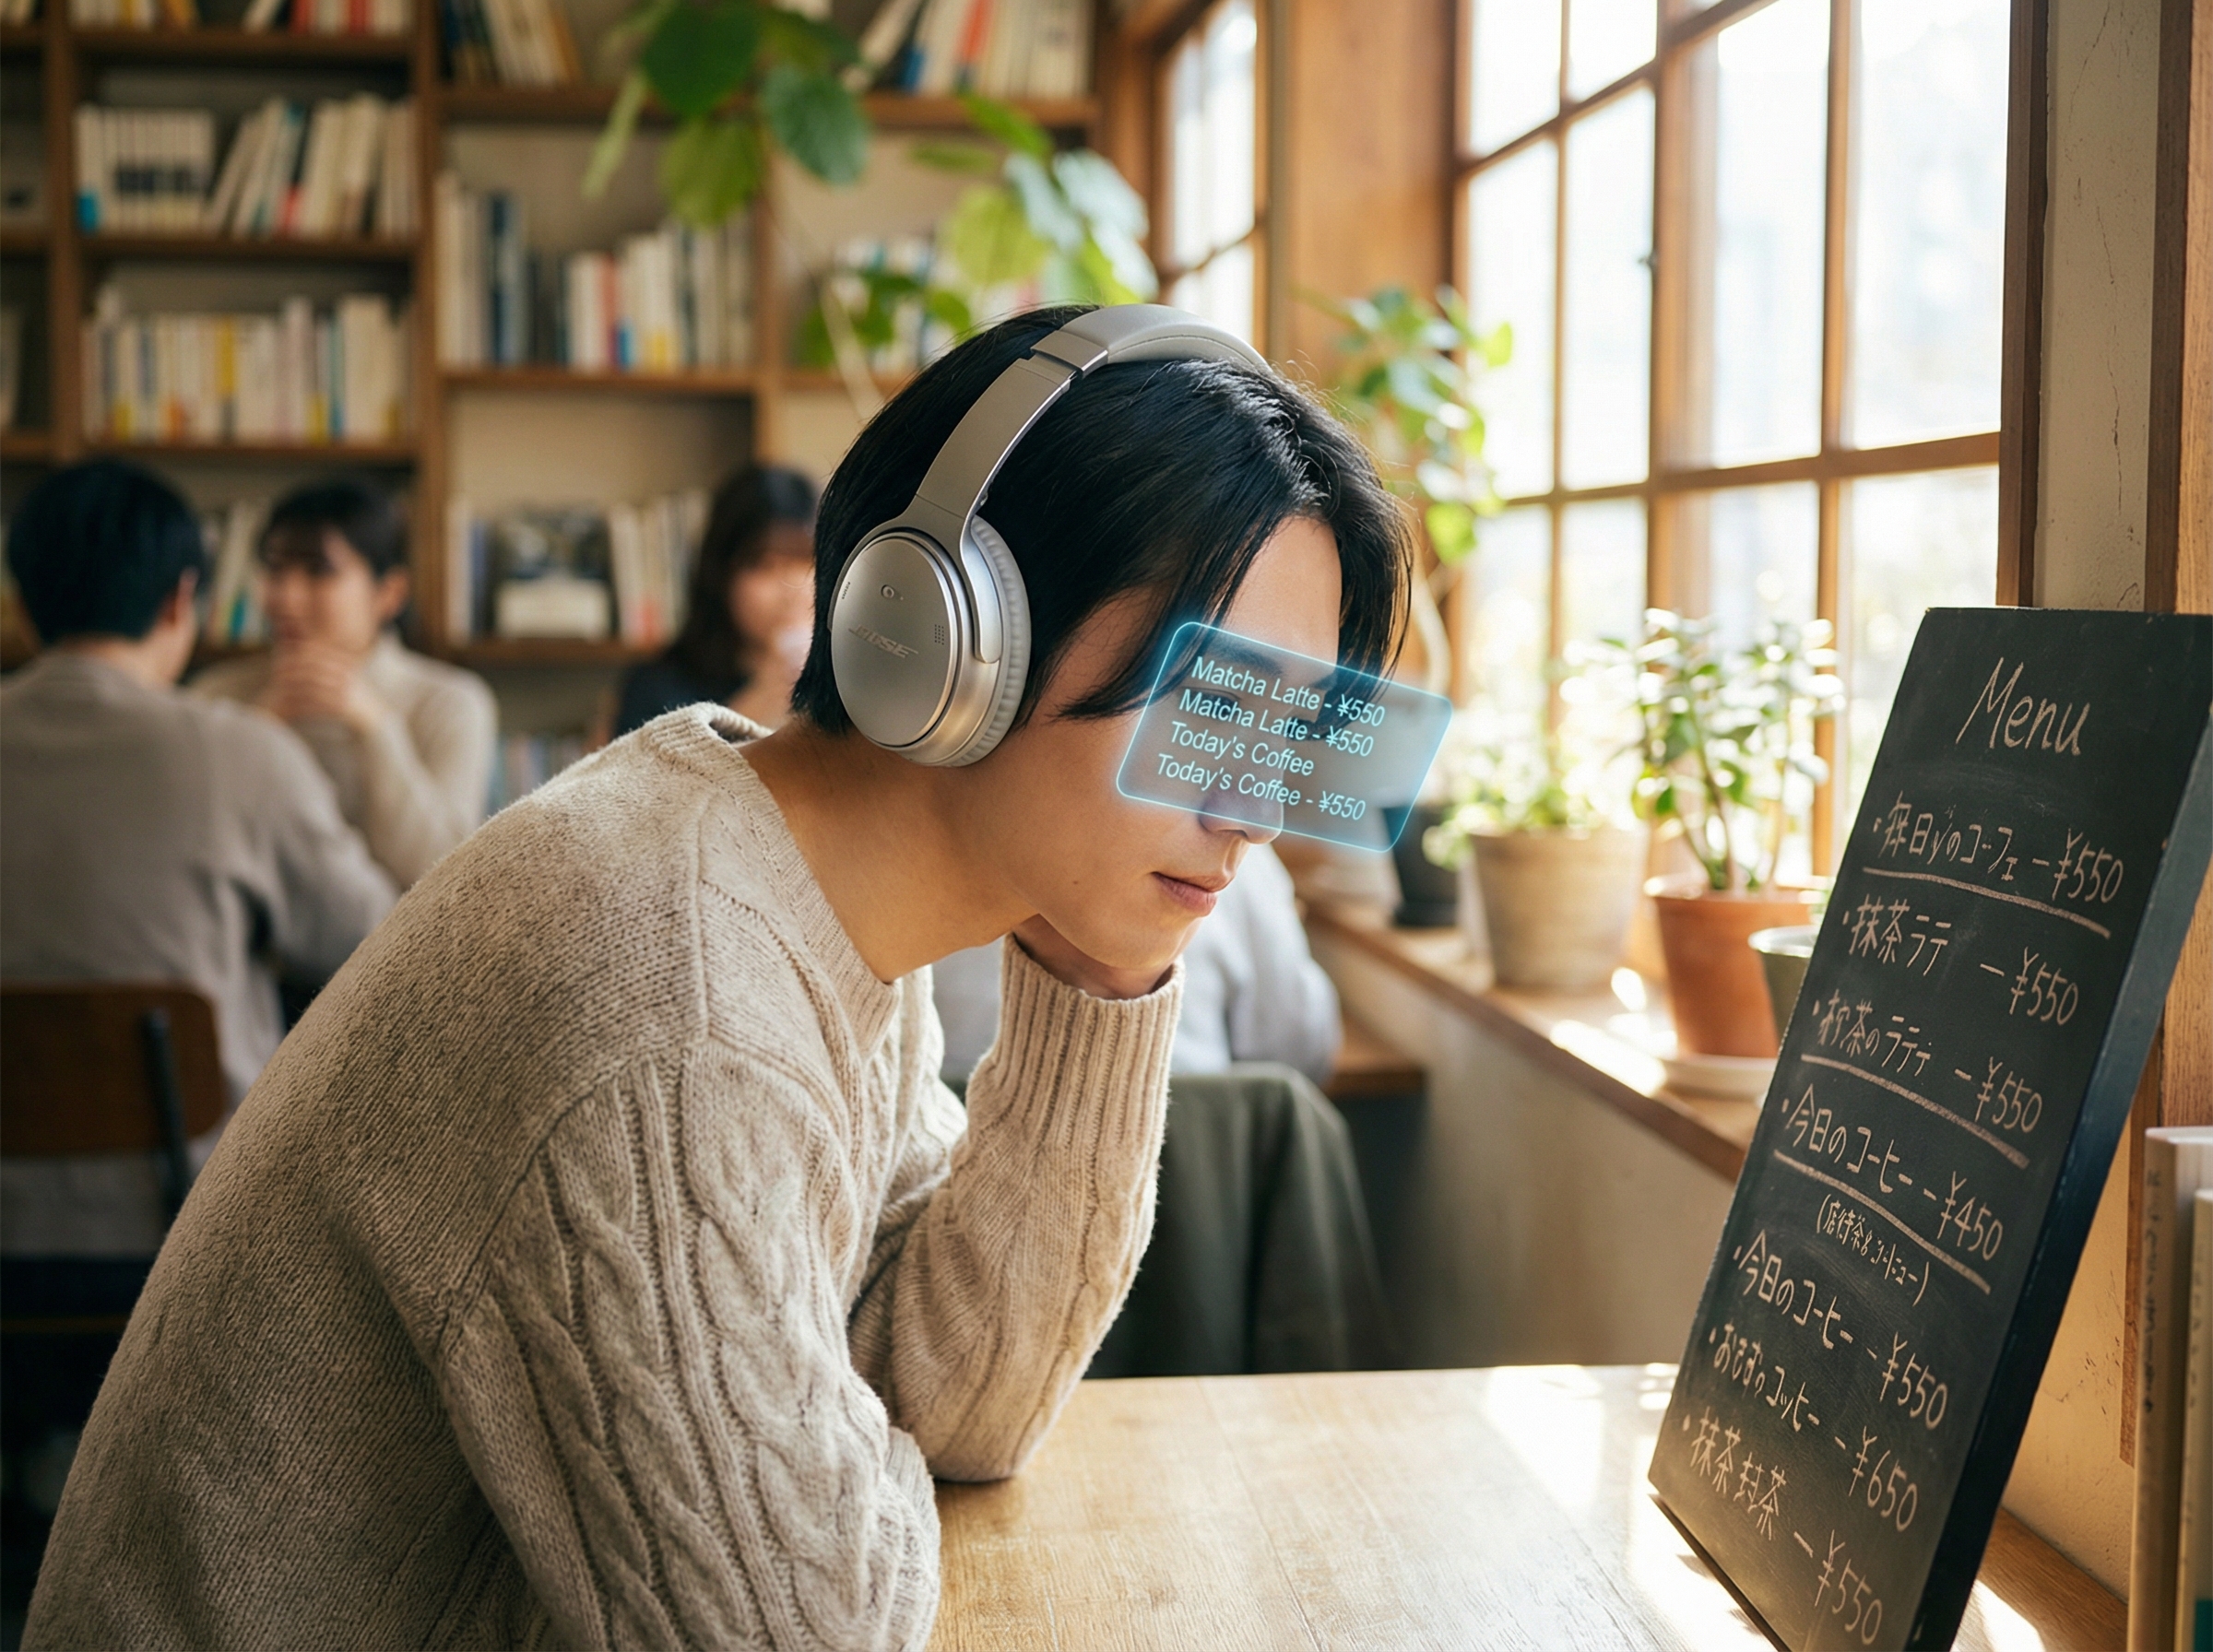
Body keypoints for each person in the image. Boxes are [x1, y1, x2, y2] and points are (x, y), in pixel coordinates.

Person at [25, 305, 1409, 1650]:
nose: (1254, 811)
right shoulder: (667, 994)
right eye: (1215, 703)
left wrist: (1099, 979)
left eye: (1287, 738)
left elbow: (963, 1407)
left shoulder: (809, 900)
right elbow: (808, 1625)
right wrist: (846, 1429)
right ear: (953, 636)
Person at [0, 460, 397, 1257]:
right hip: (194, 1242)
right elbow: (379, 946)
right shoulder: (243, 754)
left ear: (21, 599)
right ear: (181, 600)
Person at [193, 478, 497, 887]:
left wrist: (376, 728)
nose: (286, 598)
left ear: (389, 593)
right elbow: (190, 847)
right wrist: (259, 729)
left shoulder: (450, 703)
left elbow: (442, 876)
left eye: (318, 571)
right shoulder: (217, 693)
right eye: (275, 570)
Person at [934, 840, 1343, 1082]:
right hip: (1202, 1170)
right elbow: (1299, 1050)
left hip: (950, 1133)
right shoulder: (1240, 859)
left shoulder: (947, 847)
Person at [613, 464, 819, 737]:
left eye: (806, 562)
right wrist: (759, 703)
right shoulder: (660, 687)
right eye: (764, 566)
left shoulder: (850, 679)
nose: (790, 588)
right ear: (721, 575)